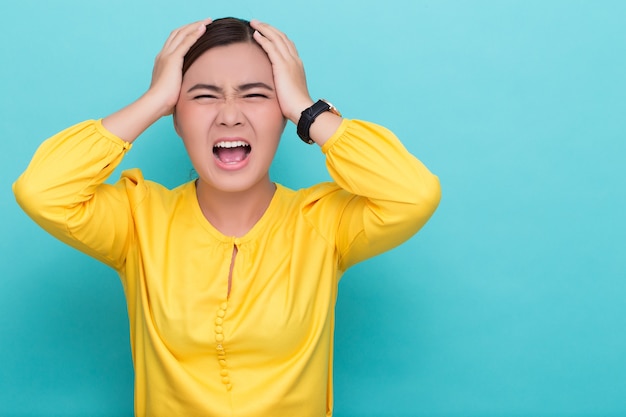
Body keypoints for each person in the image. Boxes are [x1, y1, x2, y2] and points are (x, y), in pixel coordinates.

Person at [13, 17, 441, 417]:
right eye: (203, 96)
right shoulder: (136, 220)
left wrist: (308, 111)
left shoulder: (323, 223)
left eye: (256, 95)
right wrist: (153, 99)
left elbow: (413, 194)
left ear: (283, 116)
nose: (230, 114)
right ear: (175, 117)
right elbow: (42, 189)